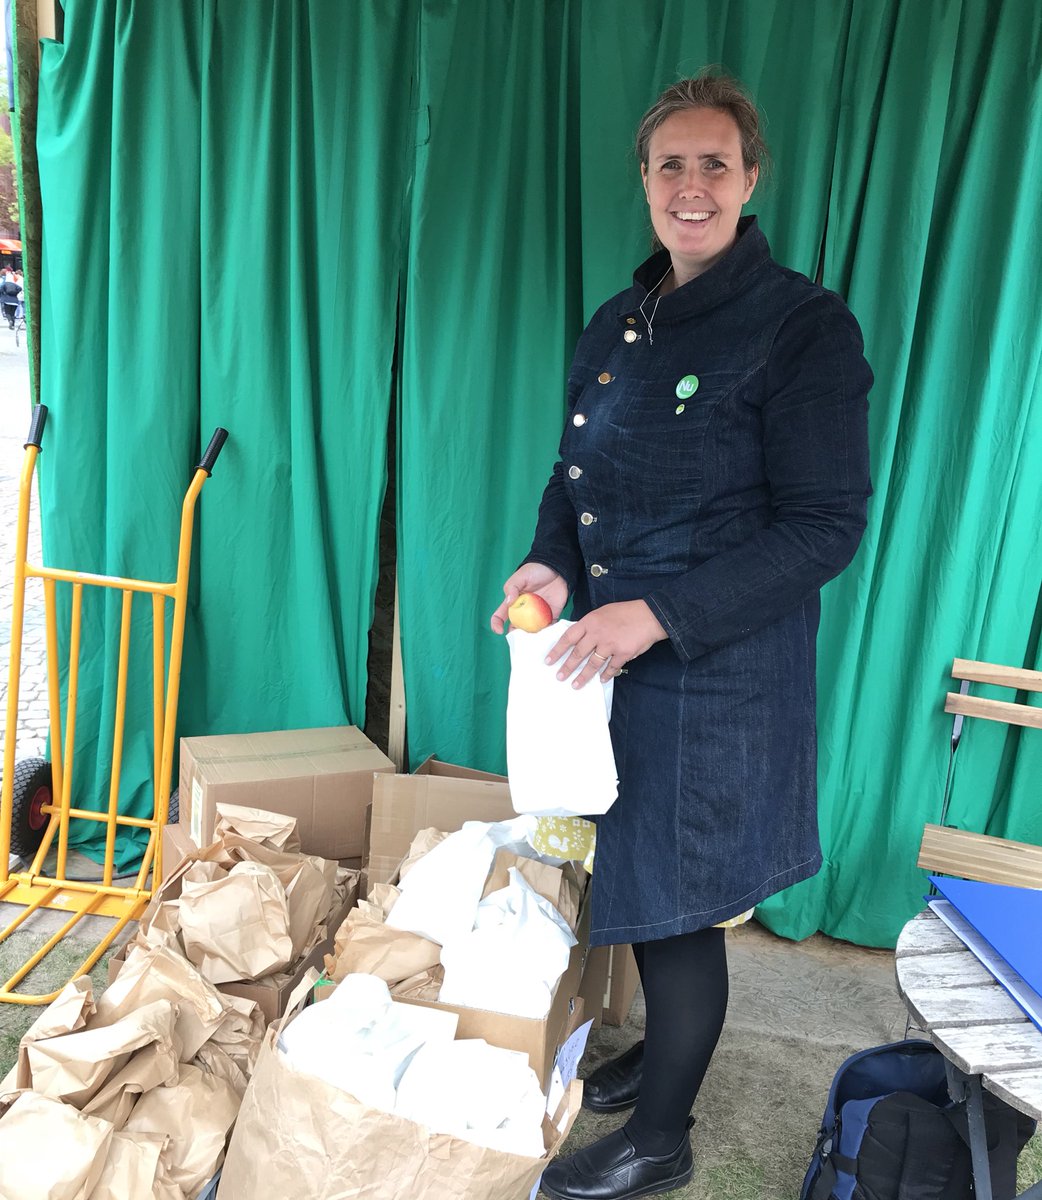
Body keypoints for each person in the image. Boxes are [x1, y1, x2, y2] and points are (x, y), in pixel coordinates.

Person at [490, 71, 872, 1200]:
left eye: (715, 164)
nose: (691, 186)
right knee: (639, 872)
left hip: (716, 672)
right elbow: (573, 473)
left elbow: (825, 525)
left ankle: (662, 1140)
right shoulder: (620, 318)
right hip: (610, 661)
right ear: (646, 181)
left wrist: (656, 614)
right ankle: (663, 1056)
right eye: (671, 165)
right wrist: (551, 561)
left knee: (678, 905)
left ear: (751, 180)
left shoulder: (803, 326)